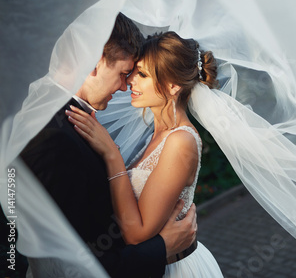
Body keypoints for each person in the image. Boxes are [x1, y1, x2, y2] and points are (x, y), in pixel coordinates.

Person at [20, 15, 197, 278]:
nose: (127, 86)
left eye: (137, 75)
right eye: (124, 74)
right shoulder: (53, 138)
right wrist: (161, 248)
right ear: (93, 63)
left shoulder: (70, 121)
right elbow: (73, 262)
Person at [67, 31, 223, 277]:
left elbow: (137, 233)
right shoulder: (154, 133)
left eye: (142, 74)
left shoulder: (181, 141)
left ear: (173, 86)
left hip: (174, 268)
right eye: (132, 73)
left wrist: (111, 154)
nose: (130, 81)